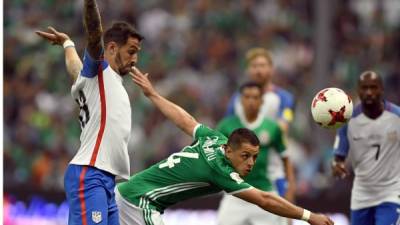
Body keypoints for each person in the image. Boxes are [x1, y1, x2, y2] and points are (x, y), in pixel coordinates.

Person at [114, 67, 334, 225]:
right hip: (141, 202)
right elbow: (265, 199)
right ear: (229, 150)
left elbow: (186, 120)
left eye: (254, 157)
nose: (250, 163)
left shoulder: (213, 137)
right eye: (245, 155)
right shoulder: (221, 171)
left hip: (127, 193)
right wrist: (309, 216)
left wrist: (153, 94)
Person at [36, 0, 144, 224]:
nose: (135, 59)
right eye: (131, 51)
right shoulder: (101, 71)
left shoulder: (92, 80)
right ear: (112, 48)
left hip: (106, 178)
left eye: (137, 53)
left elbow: (74, 67)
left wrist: (67, 44)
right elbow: (95, 33)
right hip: (91, 173)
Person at [224, 47, 296, 224]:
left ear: (271, 69)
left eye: (263, 65)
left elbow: (283, 127)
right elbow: (228, 131)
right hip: (246, 169)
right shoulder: (236, 99)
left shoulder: (284, 98)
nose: (258, 69)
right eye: (254, 65)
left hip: (273, 168)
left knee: (285, 216)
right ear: (248, 70)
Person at [332, 71, 400, 225]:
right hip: (362, 194)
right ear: (358, 90)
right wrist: (337, 166)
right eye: (364, 88)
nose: (369, 92)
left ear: (382, 90)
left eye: (373, 87)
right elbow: (338, 157)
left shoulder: (397, 116)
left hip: (390, 192)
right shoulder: (348, 121)